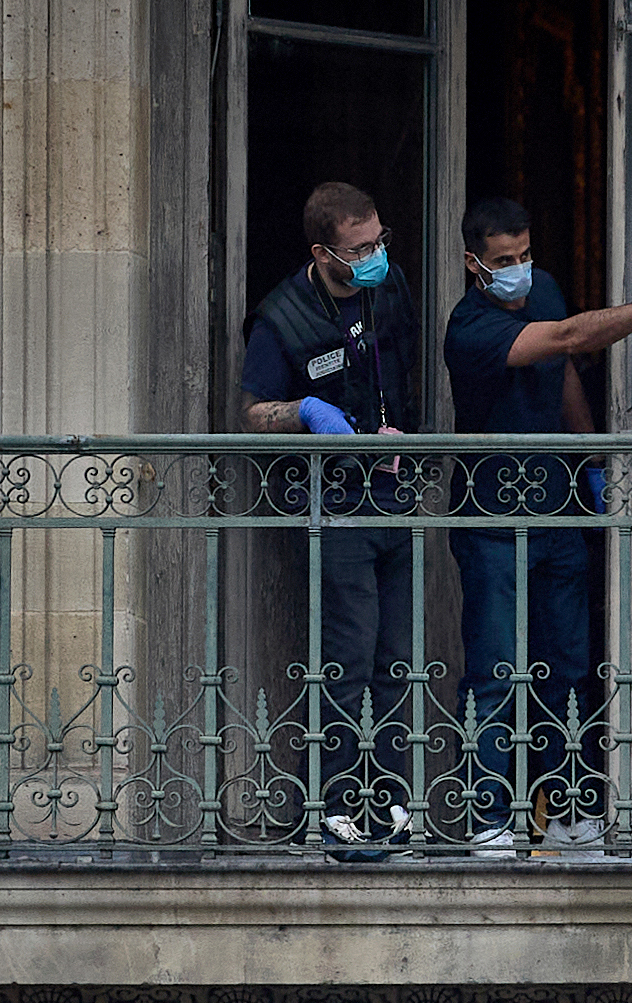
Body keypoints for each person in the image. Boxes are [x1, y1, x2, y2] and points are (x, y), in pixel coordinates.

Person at [442, 194, 632, 856]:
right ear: (473, 264)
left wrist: (591, 456)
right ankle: (487, 818)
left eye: (524, 254)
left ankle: (571, 812)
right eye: (502, 261)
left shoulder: (540, 286)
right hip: (490, 519)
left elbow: (563, 366)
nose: (517, 270)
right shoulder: (468, 327)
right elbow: (568, 337)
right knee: (494, 672)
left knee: (566, 667)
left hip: (554, 511)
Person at [241, 181, 420, 861]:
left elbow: (397, 370)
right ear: (322, 251)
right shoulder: (281, 317)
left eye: (380, 240)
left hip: (394, 494)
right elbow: (253, 413)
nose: (374, 255)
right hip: (331, 501)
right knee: (346, 662)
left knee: (396, 662)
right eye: (359, 248)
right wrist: (306, 414)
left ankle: (391, 806)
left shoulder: (389, 286)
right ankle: (335, 809)